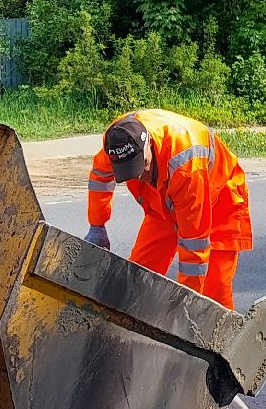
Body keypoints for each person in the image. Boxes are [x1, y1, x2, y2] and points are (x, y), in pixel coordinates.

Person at [86, 109, 253, 311]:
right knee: (137, 280)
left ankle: (217, 341)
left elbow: (194, 247)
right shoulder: (117, 141)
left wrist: (188, 307)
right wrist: (97, 225)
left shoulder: (186, 165)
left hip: (217, 204)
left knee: (211, 300)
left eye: (142, 166)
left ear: (148, 144)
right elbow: (100, 177)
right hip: (164, 207)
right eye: (129, 171)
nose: (140, 177)